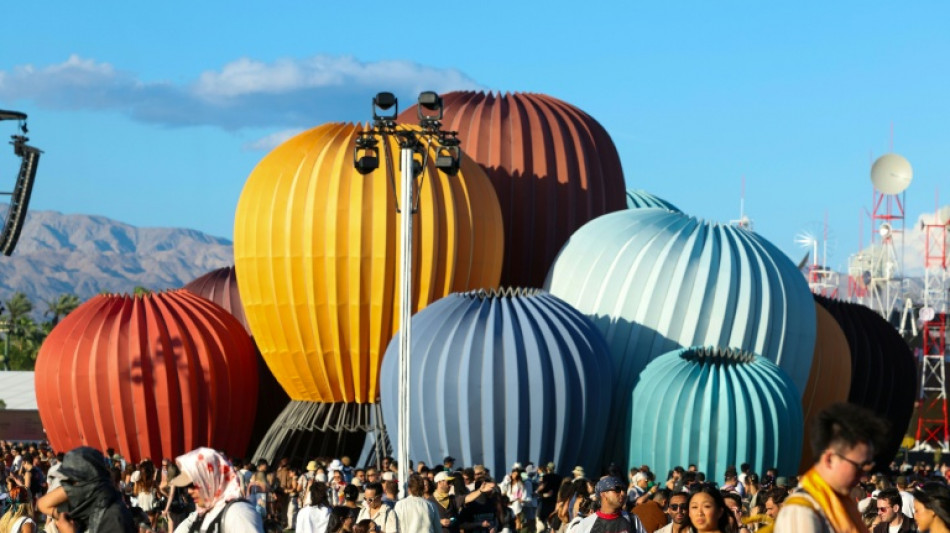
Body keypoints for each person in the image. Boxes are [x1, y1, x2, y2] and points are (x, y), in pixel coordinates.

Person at [774, 402, 889, 533]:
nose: (863, 476)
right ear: (829, 459)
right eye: (859, 467)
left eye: (867, 467)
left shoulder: (842, 503)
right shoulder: (802, 512)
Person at [36, 446, 134, 533]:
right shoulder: (85, 508)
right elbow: (43, 504)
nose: (67, 487)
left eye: (72, 482)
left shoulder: (113, 517)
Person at [168, 447, 263, 533]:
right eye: (186, 487)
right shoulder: (204, 513)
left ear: (210, 480)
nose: (189, 491)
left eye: (193, 485)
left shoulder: (237, 513)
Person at [570, 477, 646, 533]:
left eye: (624, 490)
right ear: (603, 494)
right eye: (617, 489)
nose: (623, 493)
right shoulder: (586, 524)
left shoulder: (633, 520)